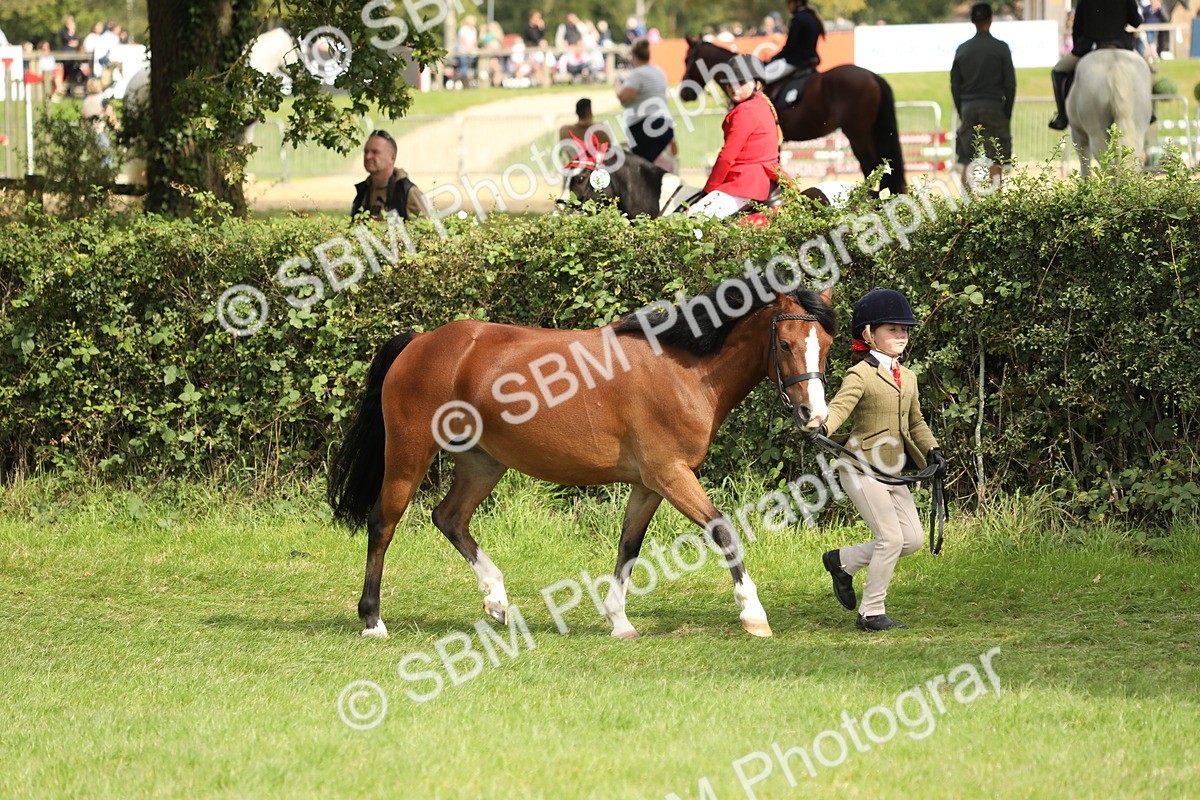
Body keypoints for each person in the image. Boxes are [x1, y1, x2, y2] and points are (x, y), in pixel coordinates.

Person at [810, 288, 945, 632]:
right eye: (892, 329)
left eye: (904, 330)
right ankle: (871, 612)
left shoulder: (909, 377)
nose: (901, 335)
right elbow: (840, 407)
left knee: (912, 539)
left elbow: (916, 422)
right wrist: (823, 425)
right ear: (869, 334)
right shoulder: (860, 374)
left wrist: (932, 449)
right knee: (891, 539)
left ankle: (842, 560)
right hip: (860, 467)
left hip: (892, 469)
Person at [687, 55, 781, 219]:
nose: (733, 88)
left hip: (746, 182)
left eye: (741, 82)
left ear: (757, 84)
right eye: (730, 83)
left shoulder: (744, 111)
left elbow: (727, 157)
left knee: (693, 219)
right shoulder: (762, 103)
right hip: (768, 178)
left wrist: (708, 189)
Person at [1048, 0, 1143, 129]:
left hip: (1089, 45)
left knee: (1058, 72)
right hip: (1120, 44)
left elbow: (1077, 28)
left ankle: (1062, 116)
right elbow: (1136, 22)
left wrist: (1078, 47)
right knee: (1143, 68)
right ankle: (1148, 111)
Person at [951, 3, 1016, 188]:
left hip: (968, 107)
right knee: (996, 158)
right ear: (991, 19)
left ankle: (966, 201)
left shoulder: (962, 49)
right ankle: (995, 201)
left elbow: (955, 85)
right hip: (994, 106)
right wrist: (1006, 112)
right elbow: (1010, 84)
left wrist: (962, 109)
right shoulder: (1001, 48)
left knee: (966, 159)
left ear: (973, 21)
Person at [616, 38, 675, 163]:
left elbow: (624, 97)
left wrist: (616, 86)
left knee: (642, 167)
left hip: (644, 127)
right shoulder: (659, 71)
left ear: (634, 56)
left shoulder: (637, 74)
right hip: (665, 124)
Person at [351, 130, 428, 221]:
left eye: (375, 152)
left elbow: (428, 227)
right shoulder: (364, 191)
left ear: (392, 157)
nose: (368, 156)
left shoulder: (407, 192)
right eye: (366, 151)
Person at [765, 0, 825, 83]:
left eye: (789, 3)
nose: (787, 6)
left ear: (798, 2)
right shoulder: (813, 17)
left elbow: (790, 46)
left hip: (795, 61)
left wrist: (774, 58)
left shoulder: (798, 18)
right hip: (812, 58)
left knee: (762, 77)